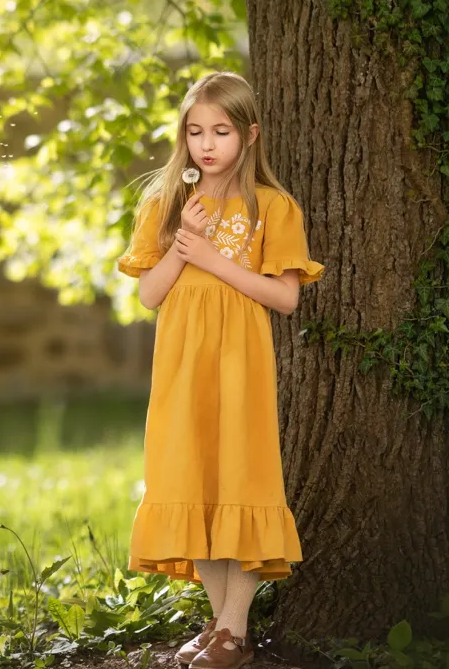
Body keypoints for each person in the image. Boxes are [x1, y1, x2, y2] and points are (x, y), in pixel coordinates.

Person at [116, 71, 324, 669]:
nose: (207, 144)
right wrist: (184, 243)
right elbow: (149, 296)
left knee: (241, 477)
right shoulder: (166, 202)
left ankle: (233, 633)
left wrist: (211, 257)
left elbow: (285, 298)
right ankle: (222, 627)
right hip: (182, 362)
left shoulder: (274, 207)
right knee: (194, 479)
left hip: (241, 360)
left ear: (249, 135)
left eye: (222, 131)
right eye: (196, 131)